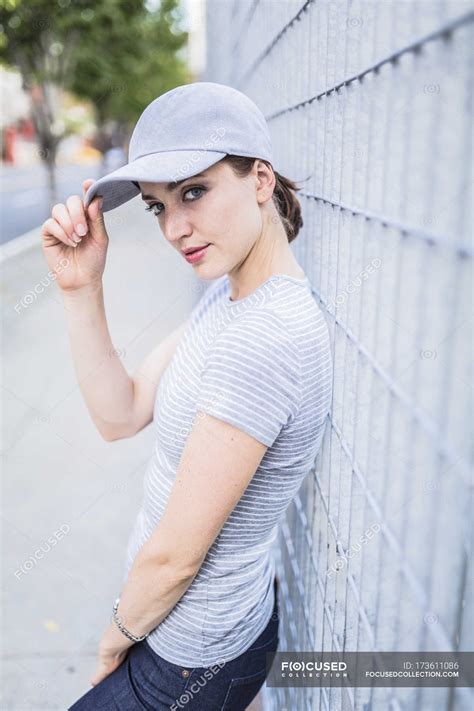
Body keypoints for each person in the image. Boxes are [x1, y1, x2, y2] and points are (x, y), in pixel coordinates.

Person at [40, 82, 333, 710]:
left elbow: (176, 558)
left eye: (193, 192)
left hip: (184, 658)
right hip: (198, 633)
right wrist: (79, 287)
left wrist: (114, 640)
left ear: (259, 180)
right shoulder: (228, 300)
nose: (174, 227)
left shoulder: (263, 339)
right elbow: (121, 413)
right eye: (156, 206)